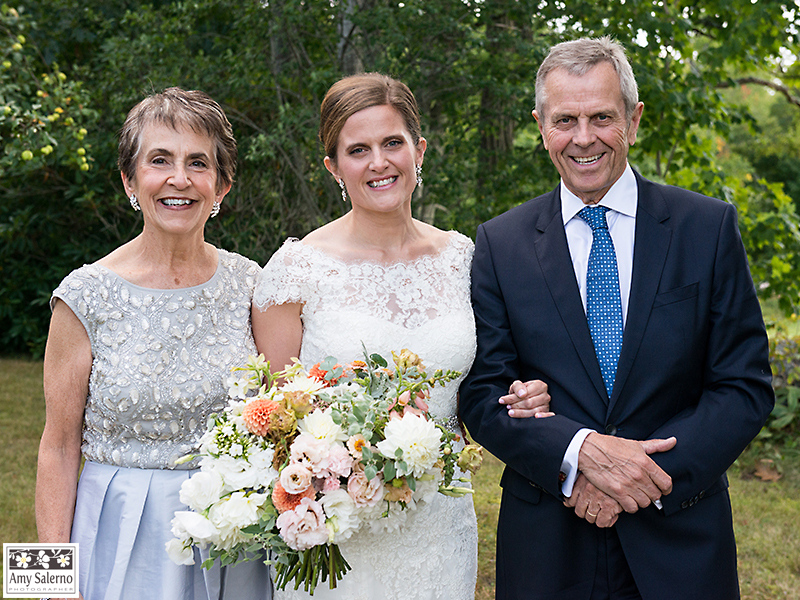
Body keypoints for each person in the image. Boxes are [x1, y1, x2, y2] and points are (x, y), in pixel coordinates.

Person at [459, 37, 774, 600]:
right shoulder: (499, 243)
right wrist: (578, 458)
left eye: (602, 117)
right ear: (539, 125)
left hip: (680, 535)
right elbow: (483, 393)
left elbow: (743, 386)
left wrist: (640, 481)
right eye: (565, 120)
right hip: (548, 542)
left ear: (633, 119)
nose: (584, 138)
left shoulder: (706, 228)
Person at [251, 72, 551, 600]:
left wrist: (519, 397)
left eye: (393, 143)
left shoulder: (466, 259)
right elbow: (275, 425)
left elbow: (484, 387)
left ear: (420, 150)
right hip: (339, 531)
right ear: (333, 168)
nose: (379, 162)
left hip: (440, 524)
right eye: (357, 149)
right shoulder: (295, 270)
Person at [36, 88, 271, 600]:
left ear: (222, 185)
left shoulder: (253, 285)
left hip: (233, 537)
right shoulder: (82, 294)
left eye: (198, 163)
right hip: (116, 530)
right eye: (159, 160)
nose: (179, 179)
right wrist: (46, 588)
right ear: (129, 179)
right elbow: (55, 446)